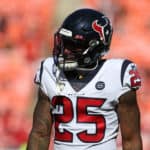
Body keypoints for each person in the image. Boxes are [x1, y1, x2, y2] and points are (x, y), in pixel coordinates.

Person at [27, 8, 143, 150]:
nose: (66, 51)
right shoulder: (49, 70)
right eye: (64, 43)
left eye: (73, 45)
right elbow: (40, 134)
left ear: (94, 47)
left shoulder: (118, 74)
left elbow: (131, 139)